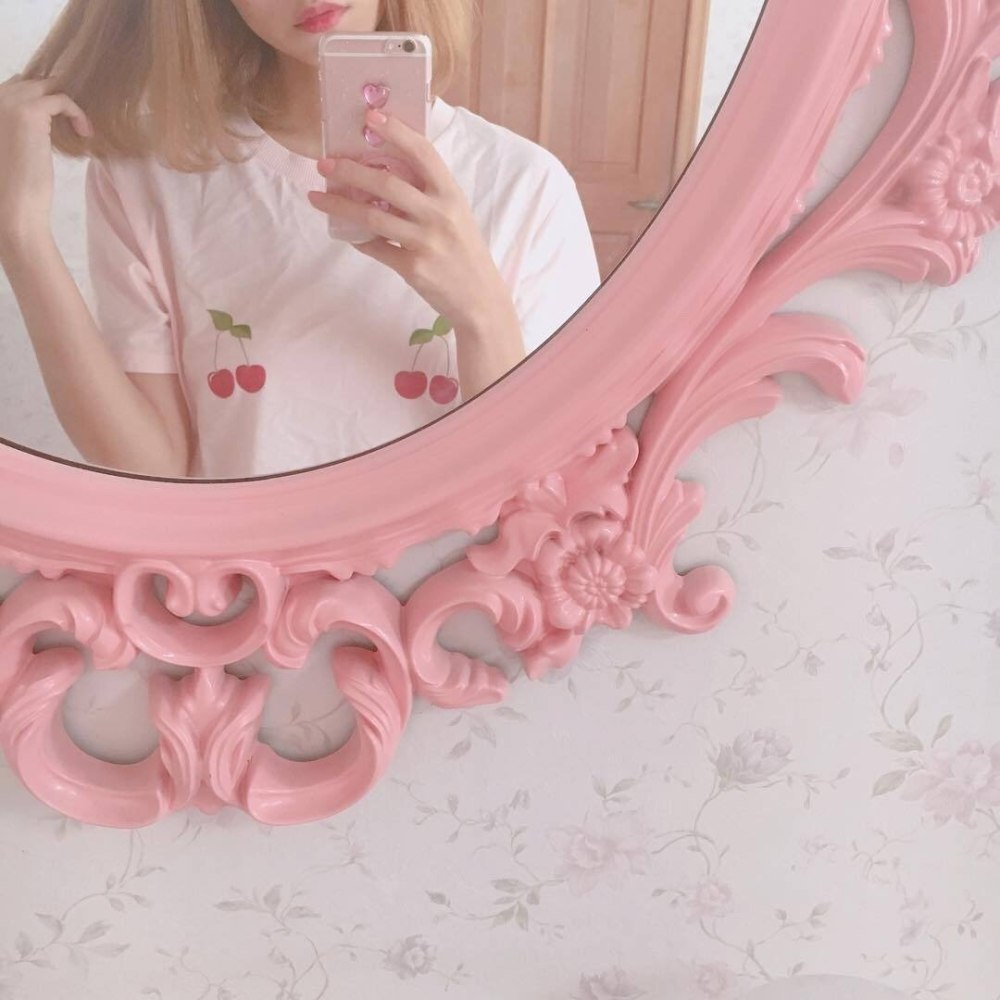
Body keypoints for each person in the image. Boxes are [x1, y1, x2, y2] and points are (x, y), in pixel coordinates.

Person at [0, 0, 600, 479]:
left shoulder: (525, 185)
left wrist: (481, 315)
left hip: (452, 592)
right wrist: (20, 236)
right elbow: (152, 470)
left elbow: (555, 482)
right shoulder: (151, 178)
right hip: (244, 585)